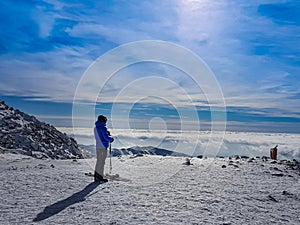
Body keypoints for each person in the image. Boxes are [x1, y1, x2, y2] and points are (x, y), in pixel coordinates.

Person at [94, 115, 114, 182]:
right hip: (103, 147)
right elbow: (106, 138)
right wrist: (111, 139)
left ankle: (96, 177)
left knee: (99, 162)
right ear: (103, 120)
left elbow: (100, 136)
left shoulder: (96, 128)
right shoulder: (103, 128)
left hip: (98, 147)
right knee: (102, 162)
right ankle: (100, 178)